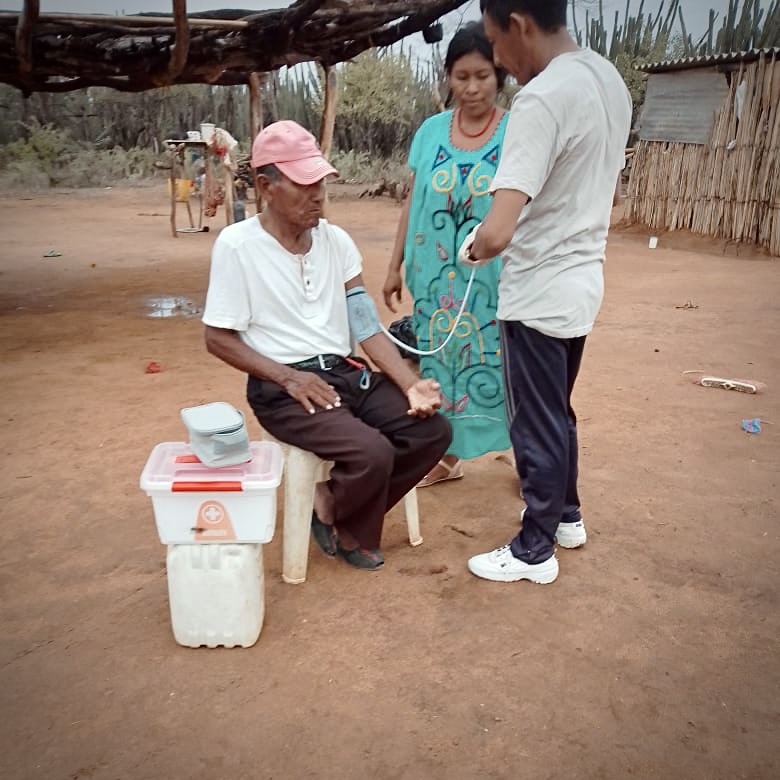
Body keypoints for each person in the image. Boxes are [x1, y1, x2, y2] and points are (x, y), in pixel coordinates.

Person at [201, 120, 452, 571]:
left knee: (431, 431)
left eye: (321, 183)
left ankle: (333, 504)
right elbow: (217, 338)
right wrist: (287, 376)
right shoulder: (238, 246)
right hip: (283, 388)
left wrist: (409, 383)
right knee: (372, 451)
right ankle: (352, 529)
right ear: (266, 186)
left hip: (344, 373)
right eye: (303, 185)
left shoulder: (335, 242)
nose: (318, 196)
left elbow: (365, 324)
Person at [462, 0, 632, 583]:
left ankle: (534, 548)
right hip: (584, 280)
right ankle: (566, 516)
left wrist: (472, 245)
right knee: (557, 411)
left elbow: (500, 229)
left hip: (538, 290)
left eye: (495, 44)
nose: (499, 61)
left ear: (518, 25)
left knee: (534, 422)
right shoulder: (607, 79)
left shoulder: (541, 99)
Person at [382, 21, 512, 489]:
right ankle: (446, 454)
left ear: (499, 75)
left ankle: (528, 456)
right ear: (448, 77)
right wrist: (394, 264)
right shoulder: (431, 132)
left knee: (501, 362)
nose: (472, 87)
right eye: (462, 76)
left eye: (482, 75)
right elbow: (413, 203)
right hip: (434, 277)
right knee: (440, 367)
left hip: (493, 278)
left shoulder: (516, 132)